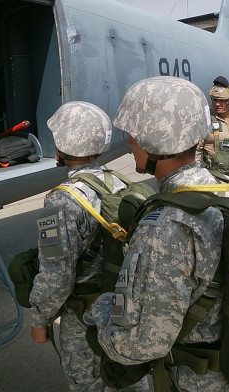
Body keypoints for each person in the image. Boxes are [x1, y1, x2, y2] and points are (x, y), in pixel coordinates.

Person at [89, 77, 229, 391]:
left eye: (135, 135)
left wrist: (100, 308)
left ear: (156, 140)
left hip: (194, 379)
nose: (129, 143)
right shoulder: (226, 188)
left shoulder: (166, 228)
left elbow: (141, 345)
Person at [29, 102, 148, 392]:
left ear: (61, 144)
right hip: (125, 307)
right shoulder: (119, 182)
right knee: (129, 380)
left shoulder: (62, 201)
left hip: (84, 317)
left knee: (88, 384)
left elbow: (56, 274)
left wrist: (40, 318)